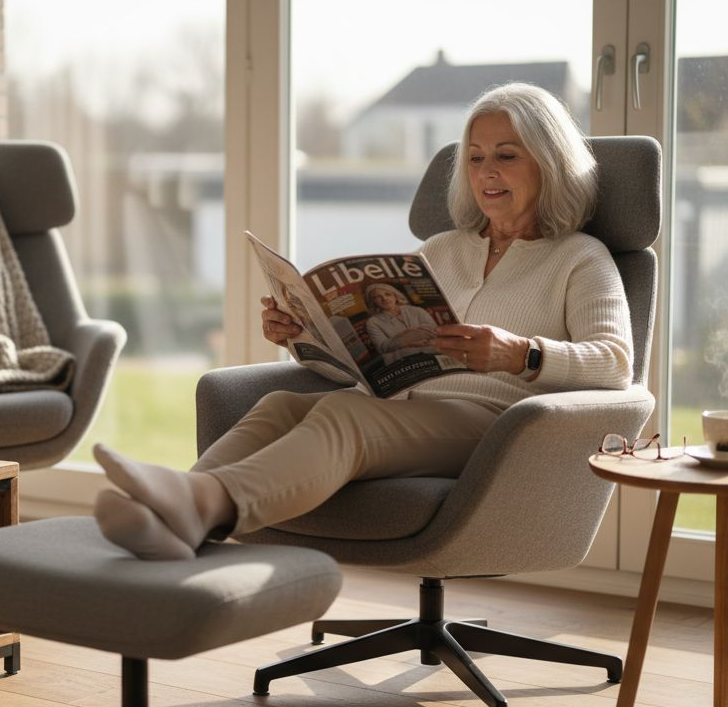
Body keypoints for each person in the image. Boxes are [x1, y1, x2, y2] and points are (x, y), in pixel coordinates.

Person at [91, 82, 634, 561]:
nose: (486, 171)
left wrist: (520, 354)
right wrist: (303, 336)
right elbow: (369, 360)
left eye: (506, 155)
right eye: (474, 158)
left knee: (346, 416)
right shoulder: (440, 250)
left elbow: (615, 364)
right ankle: (167, 519)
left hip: (497, 427)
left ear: (549, 162)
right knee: (281, 405)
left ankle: (195, 506)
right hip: (402, 407)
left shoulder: (580, 258)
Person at [363, 282, 439, 364]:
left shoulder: (417, 310)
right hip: (402, 361)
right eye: (377, 297)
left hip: (431, 353)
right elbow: (382, 347)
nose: (384, 298)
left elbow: (434, 331)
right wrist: (406, 339)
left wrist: (396, 341)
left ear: (395, 296)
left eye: (388, 294)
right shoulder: (373, 322)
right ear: (373, 302)